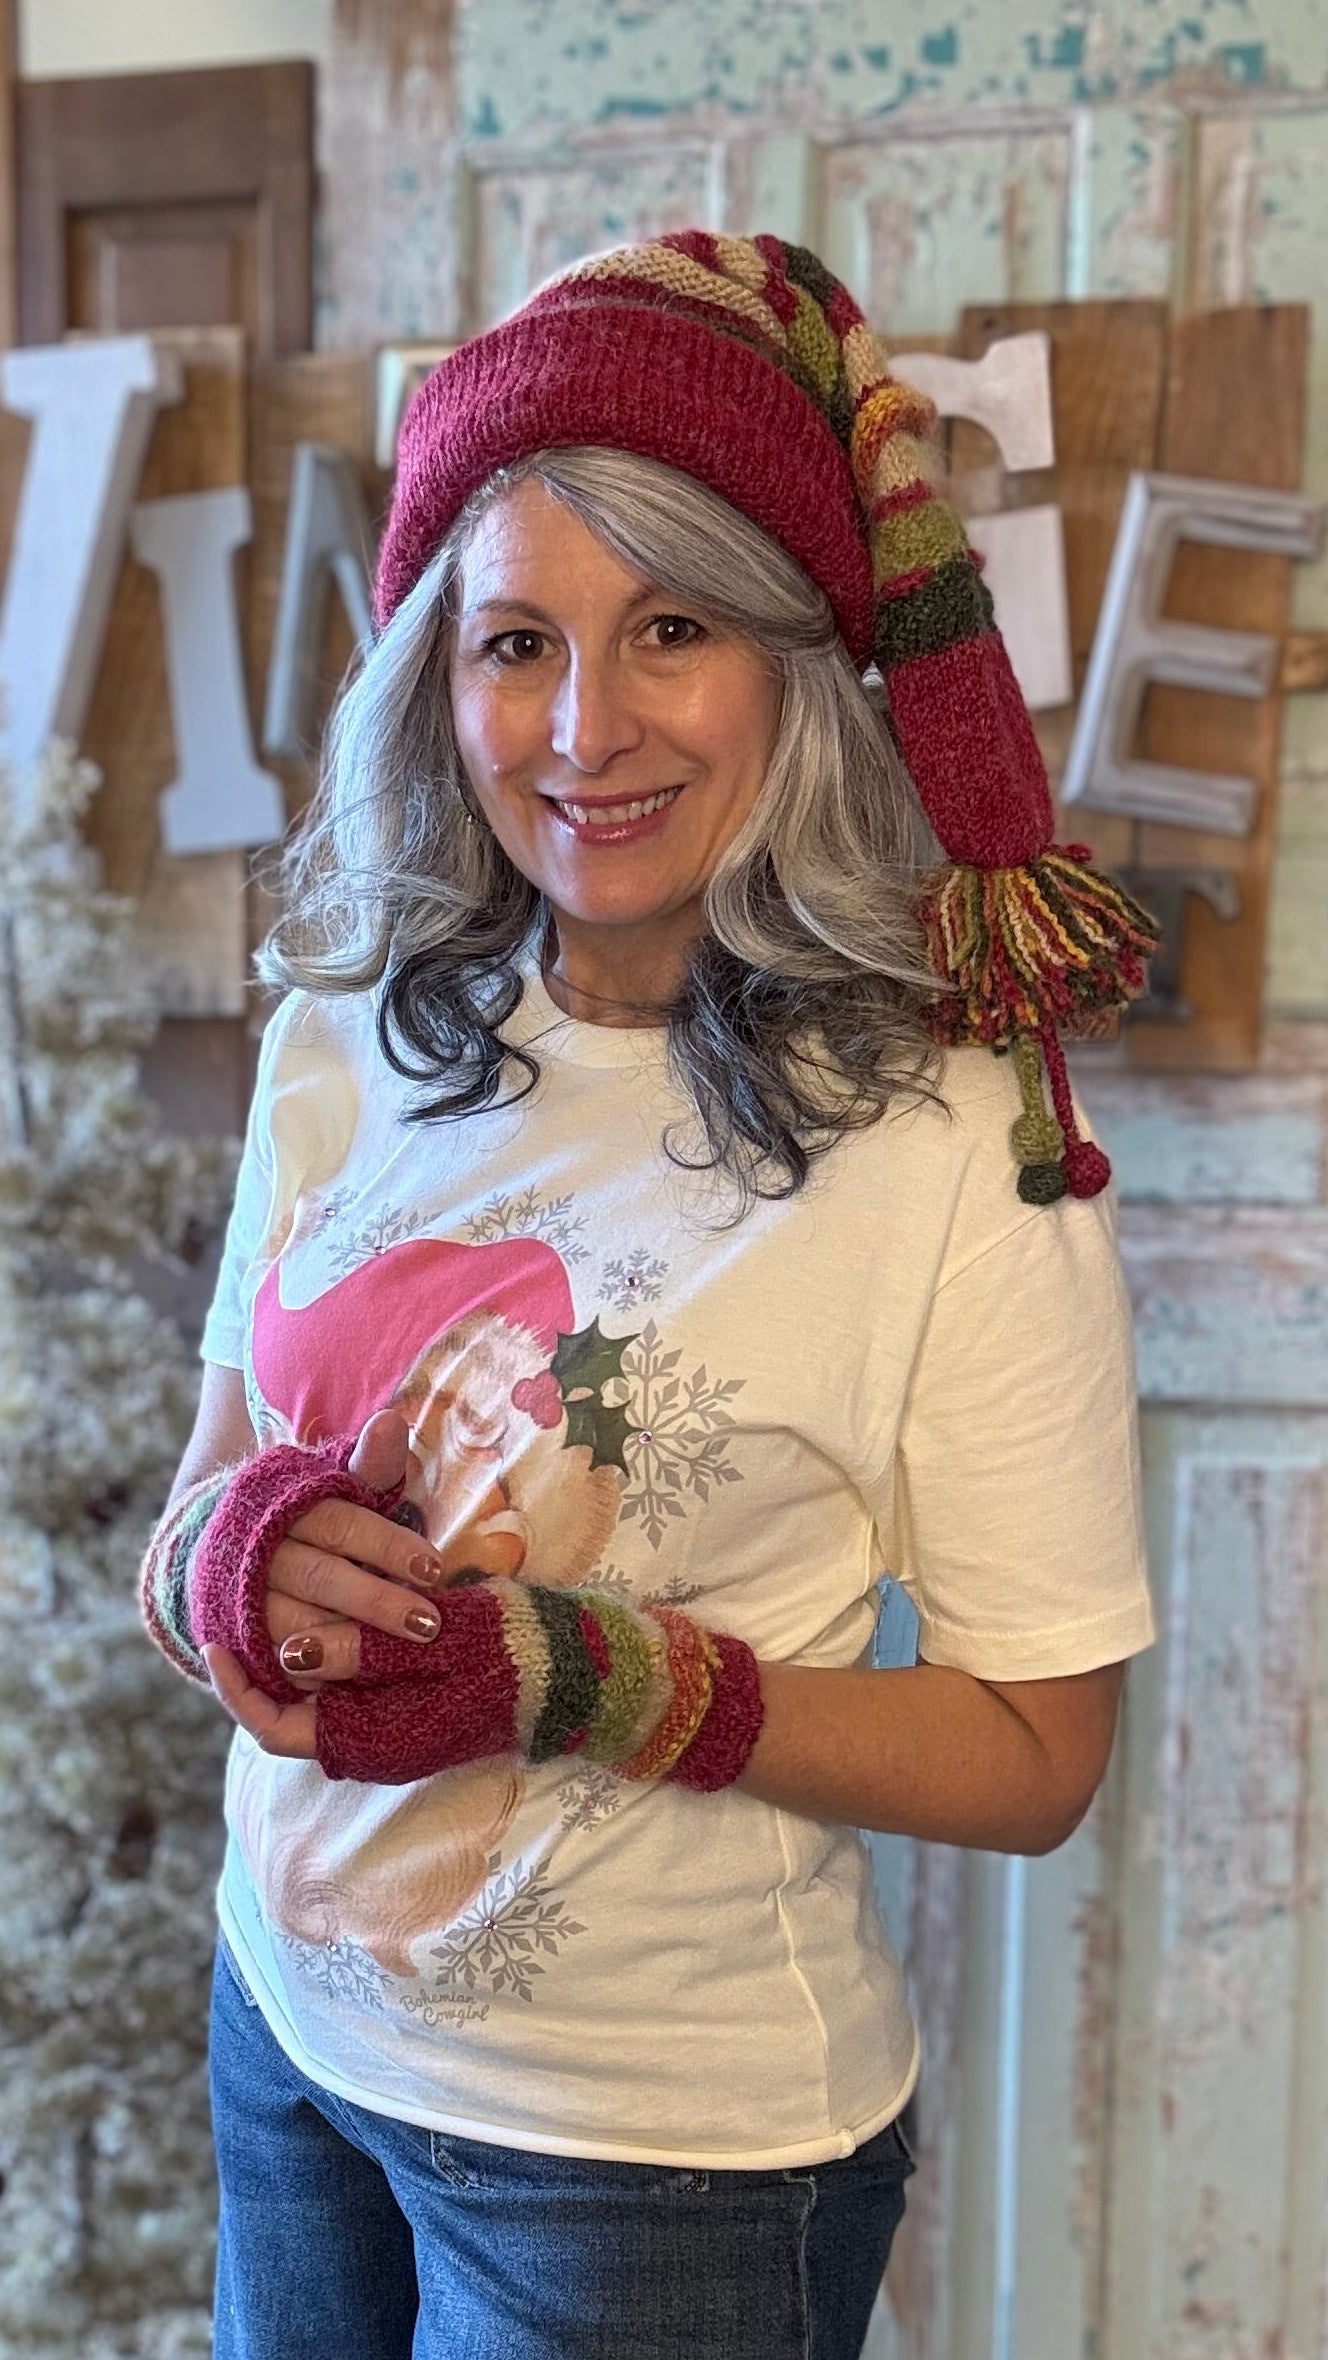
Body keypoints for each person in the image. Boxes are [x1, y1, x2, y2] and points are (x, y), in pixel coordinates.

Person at [141, 231, 1159, 2360]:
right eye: (517, 640)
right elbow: (210, 1477)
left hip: (646, 2167)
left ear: (795, 661)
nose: (583, 726)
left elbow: (1035, 1747)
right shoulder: (347, 1023)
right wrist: (224, 1568)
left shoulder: (958, 1139)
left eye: (669, 627)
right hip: (286, 2034)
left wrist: (577, 1677)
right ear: (438, 663)